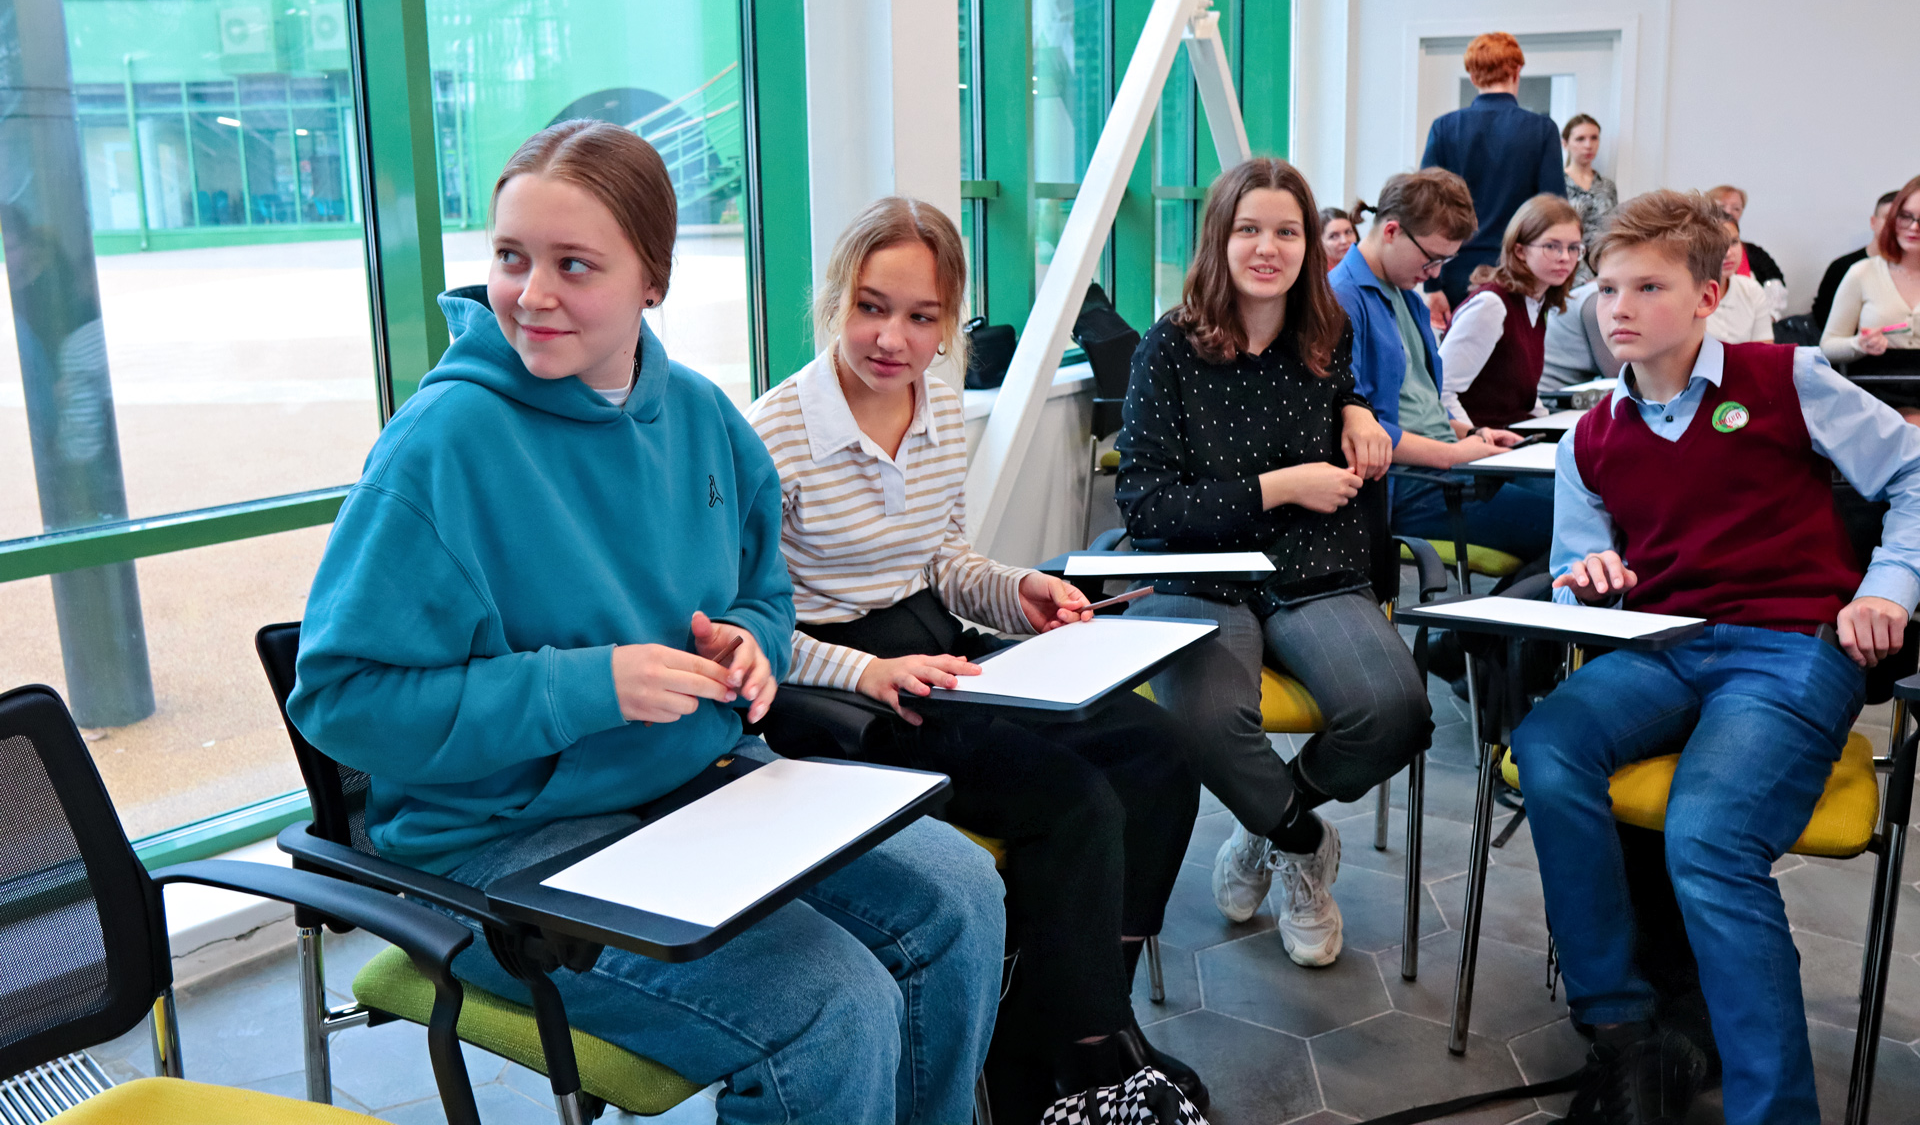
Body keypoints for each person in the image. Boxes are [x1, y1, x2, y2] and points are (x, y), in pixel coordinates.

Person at [287, 122, 1004, 1125]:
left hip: (693, 787)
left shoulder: (705, 419)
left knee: (961, 891)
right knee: (834, 1006)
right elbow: (339, 697)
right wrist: (588, 684)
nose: (532, 293)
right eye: (510, 257)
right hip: (504, 846)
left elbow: (761, 588)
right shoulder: (440, 450)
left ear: (651, 281)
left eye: (573, 264)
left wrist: (751, 643)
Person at [748, 196, 1207, 1119]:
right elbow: (748, 627)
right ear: (835, 297)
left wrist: (1019, 592)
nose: (893, 338)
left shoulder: (942, 410)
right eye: (871, 306)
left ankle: (1067, 1012)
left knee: (1160, 754)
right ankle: (1083, 1052)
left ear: (949, 322)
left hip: (937, 651)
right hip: (835, 692)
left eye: (923, 318)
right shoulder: (772, 434)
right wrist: (866, 674)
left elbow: (943, 561)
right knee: (1068, 799)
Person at [1514, 187, 1920, 1124]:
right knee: (1547, 746)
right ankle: (1621, 1034)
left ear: (1707, 295)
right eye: (1606, 287)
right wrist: (1588, 573)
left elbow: (1910, 475)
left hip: (1785, 648)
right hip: (1661, 646)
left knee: (1708, 833)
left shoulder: (1788, 377)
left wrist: (1884, 589)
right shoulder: (1591, 436)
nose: (1617, 307)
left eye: (1646, 287)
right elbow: (1575, 562)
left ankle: (1773, 1112)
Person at [1115, 157, 1428, 970]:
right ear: (1218, 238)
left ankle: (1261, 826)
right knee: (1206, 722)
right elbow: (1145, 506)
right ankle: (1300, 839)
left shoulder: (1328, 338)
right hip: (1198, 571)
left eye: (1286, 231)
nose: (1268, 247)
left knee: (1396, 710)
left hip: (1315, 568)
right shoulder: (1169, 348)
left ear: (1309, 244)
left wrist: (1362, 416)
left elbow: (1347, 391)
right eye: (1248, 229)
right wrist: (1280, 485)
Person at [1329, 168, 1554, 562]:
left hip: (1442, 466)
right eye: (1432, 258)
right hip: (1403, 485)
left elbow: (1419, 403)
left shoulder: (1409, 296)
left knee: (1584, 499)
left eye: (1445, 261)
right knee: (1566, 523)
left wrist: (1475, 433)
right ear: (1392, 231)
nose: (1434, 274)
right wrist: (1454, 454)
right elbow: (1353, 425)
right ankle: (1478, 625)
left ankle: (1485, 623)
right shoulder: (1343, 300)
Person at [1419, 32, 1565, 326]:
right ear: (1517, 71)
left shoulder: (1445, 128)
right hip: (1519, 270)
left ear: (1473, 77)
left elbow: (1423, 209)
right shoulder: (1541, 130)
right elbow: (1553, 213)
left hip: (1455, 271)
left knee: (1457, 365)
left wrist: (1431, 285)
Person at [1438, 194, 1582, 428]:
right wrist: (1474, 438)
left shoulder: (1537, 303)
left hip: (1513, 439)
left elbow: (1524, 397)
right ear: (1520, 251)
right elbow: (1441, 389)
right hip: (1482, 447)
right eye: (1551, 246)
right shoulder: (1492, 305)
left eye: (1573, 248)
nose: (1565, 257)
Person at [1820, 175, 1920, 424]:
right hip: (1878, 392)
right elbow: (1827, 347)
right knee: (1910, 429)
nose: (1914, 227)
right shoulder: (1862, 272)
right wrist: (1859, 344)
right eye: (1906, 216)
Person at [1811, 191, 1898, 330]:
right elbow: (1824, 318)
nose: (1894, 226)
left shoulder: (1913, 271)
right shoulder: (1843, 267)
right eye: (1888, 218)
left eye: (1901, 219)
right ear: (1873, 222)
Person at [1706, 184, 1788, 317]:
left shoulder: (1753, 253)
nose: (1729, 212)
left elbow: (1775, 284)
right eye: (1722, 207)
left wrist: (1763, 320)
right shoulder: (1694, 253)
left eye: (1736, 208)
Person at [1560, 114, 1616, 282]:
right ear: (1565, 143)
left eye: (1594, 138)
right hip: (1569, 270)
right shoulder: (1558, 184)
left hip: (1605, 267)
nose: (1588, 145)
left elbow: (1613, 230)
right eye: (1580, 139)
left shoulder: (1607, 186)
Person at [1706, 216, 1773, 344]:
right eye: (1718, 245)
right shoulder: (1687, 296)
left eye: (1734, 242)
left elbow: (1765, 353)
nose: (1728, 253)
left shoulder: (1752, 290)